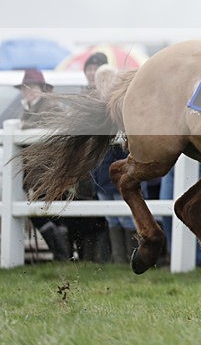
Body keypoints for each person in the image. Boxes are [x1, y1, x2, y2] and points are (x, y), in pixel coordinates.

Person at [84, 53, 137, 264]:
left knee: (123, 216)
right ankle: (119, 257)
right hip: (103, 172)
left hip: (114, 171)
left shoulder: (116, 108)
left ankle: (128, 257)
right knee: (113, 217)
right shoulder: (103, 108)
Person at [16, 69, 71, 261]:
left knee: (49, 212)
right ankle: (61, 254)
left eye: (32, 86)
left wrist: (24, 128)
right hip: (35, 172)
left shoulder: (50, 106)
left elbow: (55, 128)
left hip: (49, 170)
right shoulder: (27, 109)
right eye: (26, 87)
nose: (29, 90)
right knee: (42, 213)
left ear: (41, 88)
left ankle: (62, 255)